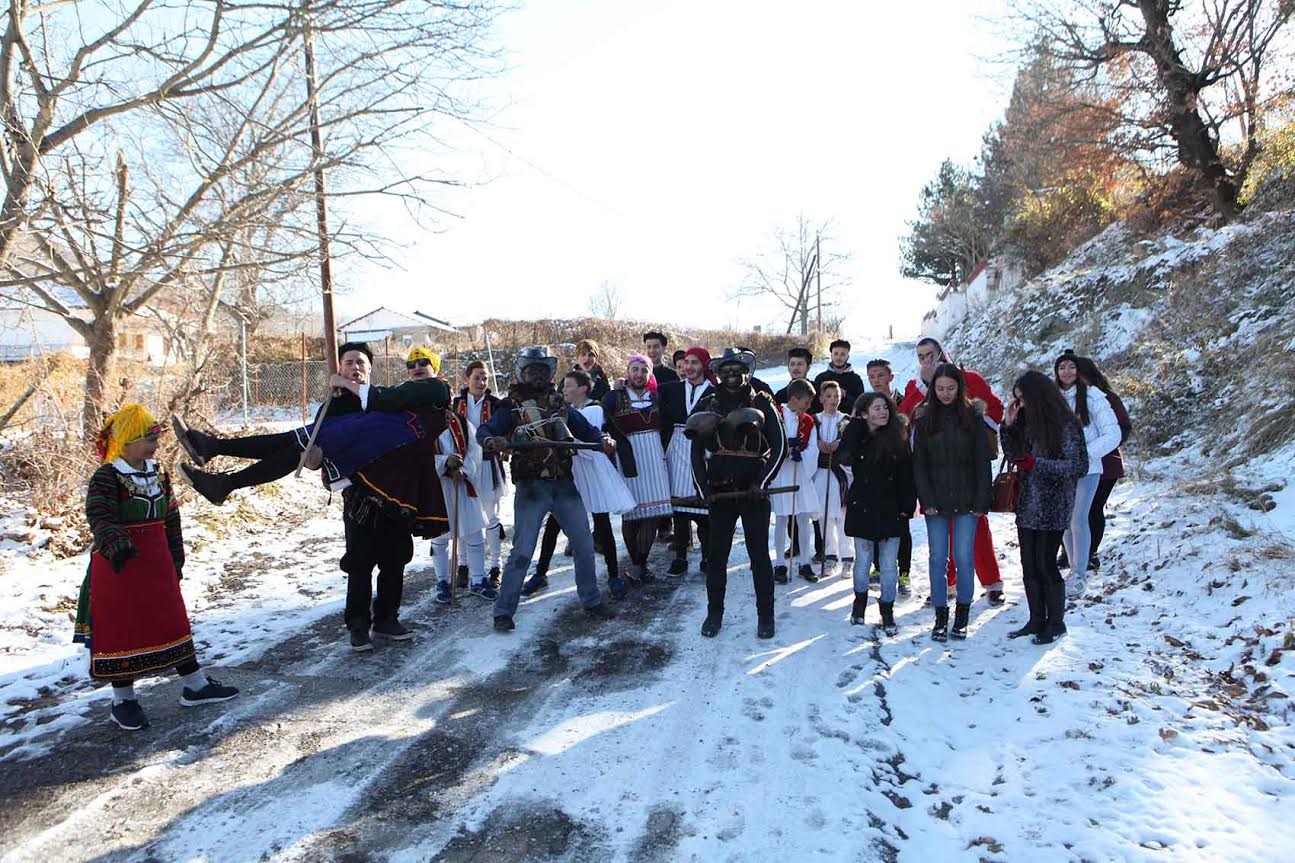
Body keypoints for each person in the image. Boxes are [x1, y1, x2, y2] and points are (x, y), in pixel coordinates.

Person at [75, 405, 238, 730]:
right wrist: (115, 542)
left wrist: (176, 556)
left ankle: (195, 686)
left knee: (172, 622)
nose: (154, 444)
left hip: (158, 565)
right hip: (119, 569)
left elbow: (171, 518)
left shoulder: (158, 474)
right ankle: (123, 700)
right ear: (126, 441)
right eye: (147, 438)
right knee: (122, 631)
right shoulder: (108, 476)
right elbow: (99, 514)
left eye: (154, 437)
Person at [175, 342, 451, 503]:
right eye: (411, 365)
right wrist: (315, 462)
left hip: (381, 484)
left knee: (296, 444)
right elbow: (313, 457)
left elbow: (389, 400)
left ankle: (222, 473)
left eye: (424, 363)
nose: (416, 368)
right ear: (340, 366)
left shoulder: (432, 389)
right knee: (294, 442)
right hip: (353, 487)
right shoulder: (336, 402)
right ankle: (214, 453)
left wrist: (343, 383)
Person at [478, 346, 617, 632]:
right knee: (522, 550)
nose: (537, 375)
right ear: (522, 373)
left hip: (564, 484)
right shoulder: (511, 406)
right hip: (531, 487)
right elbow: (485, 430)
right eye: (532, 370)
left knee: (583, 543)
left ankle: (591, 600)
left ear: (550, 373)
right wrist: (491, 441)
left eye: (543, 369)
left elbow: (585, 430)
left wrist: (603, 438)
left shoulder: (560, 404)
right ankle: (503, 612)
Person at [899, 337, 1006, 604]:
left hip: (966, 465)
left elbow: (995, 410)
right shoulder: (915, 386)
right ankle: (948, 584)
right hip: (935, 469)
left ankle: (992, 581)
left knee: (976, 526)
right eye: (921, 356)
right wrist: (924, 390)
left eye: (930, 355)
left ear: (942, 354)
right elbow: (903, 420)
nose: (926, 361)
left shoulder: (969, 378)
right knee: (941, 533)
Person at [689, 348, 788, 638]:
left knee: (759, 555)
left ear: (748, 370)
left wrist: (763, 482)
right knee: (717, 557)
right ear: (717, 373)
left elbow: (779, 447)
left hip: (754, 492)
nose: (731, 375)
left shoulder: (763, 401)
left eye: (737, 369)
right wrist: (702, 488)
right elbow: (695, 451)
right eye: (725, 370)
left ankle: (765, 617)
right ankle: (714, 614)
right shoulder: (707, 403)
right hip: (720, 492)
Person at [525, 369, 633, 598]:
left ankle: (614, 576)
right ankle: (540, 573)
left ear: (584, 388)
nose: (564, 390)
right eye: (563, 387)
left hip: (590, 470)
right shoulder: (568, 410)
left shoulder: (593, 409)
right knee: (554, 524)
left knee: (602, 523)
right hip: (571, 470)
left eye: (569, 386)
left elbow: (583, 438)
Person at [1000, 371, 1089, 644]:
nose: (1022, 405)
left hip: (1054, 503)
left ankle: (1056, 622)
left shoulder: (1066, 425)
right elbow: (1012, 454)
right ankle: (1036, 618)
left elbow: (1078, 466)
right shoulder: (1026, 422)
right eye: (1018, 400)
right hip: (1028, 502)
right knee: (1029, 564)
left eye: (1024, 399)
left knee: (1046, 563)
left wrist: (1037, 465)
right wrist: (1008, 425)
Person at [912, 364, 993, 642]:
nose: (945, 393)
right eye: (940, 388)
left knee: (963, 557)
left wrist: (982, 500)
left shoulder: (973, 416)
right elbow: (919, 465)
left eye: (951, 388)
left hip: (968, 498)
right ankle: (940, 614)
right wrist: (927, 499)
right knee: (937, 559)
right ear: (933, 389)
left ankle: (962, 613)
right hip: (935, 499)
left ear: (960, 388)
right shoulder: (924, 418)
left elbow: (983, 462)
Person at [419, 354, 495, 605]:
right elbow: (419, 458)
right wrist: (443, 464)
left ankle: (477, 579)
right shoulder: (421, 425)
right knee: (440, 537)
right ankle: (442, 580)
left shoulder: (460, 422)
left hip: (463, 484)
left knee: (474, 534)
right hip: (438, 487)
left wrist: (464, 468)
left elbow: (474, 450)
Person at [839, 392, 915, 636]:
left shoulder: (897, 437)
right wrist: (857, 424)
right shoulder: (857, 435)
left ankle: (887, 609)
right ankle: (859, 603)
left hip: (891, 509)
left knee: (889, 565)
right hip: (863, 507)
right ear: (863, 413)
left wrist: (907, 507)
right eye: (877, 408)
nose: (883, 412)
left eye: (886, 408)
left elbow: (907, 475)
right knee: (862, 563)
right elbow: (844, 456)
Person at [1054, 350, 1123, 596]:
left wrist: (1086, 454)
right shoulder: (1053, 397)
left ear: (1079, 370)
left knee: (1078, 518)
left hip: (1088, 468)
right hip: (1060, 469)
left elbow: (1112, 434)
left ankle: (1080, 574)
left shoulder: (1093, 396)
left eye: (1071, 367)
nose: (1067, 372)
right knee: (1064, 520)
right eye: (1062, 368)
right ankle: (1073, 569)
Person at [602, 355, 674, 583]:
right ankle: (637, 565)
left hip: (654, 457)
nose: (639, 374)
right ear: (627, 371)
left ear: (650, 374)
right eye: (635, 369)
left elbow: (669, 425)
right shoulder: (615, 397)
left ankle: (639, 564)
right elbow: (603, 422)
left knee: (651, 514)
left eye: (644, 370)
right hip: (628, 457)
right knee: (631, 514)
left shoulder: (656, 397)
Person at [1070, 354, 1132, 571]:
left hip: (1106, 465)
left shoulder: (1105, 398)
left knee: (1093, 508)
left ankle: (1090, 552)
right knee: (1074, 510)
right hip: (1077, 465)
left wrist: (1102, 447)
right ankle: (1073, 552)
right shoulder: (1069, 399)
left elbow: (1122, 428)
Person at [658, 346, 714, 576]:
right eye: (686, 362)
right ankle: (680, 557)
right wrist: (621, 385)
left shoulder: (715, 390)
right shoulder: (670, 389)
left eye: (694, 362)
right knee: (680, 508)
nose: (689, 367)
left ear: (704, 365)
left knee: (703, 506)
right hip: (678, 446)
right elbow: (642, 391)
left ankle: (707, 556)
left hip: (705, 448)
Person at [454, 360, 508, 590]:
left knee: (491, 517)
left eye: (485, 378)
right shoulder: (456, 404)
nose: (481, 382)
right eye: (477, 377)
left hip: (487, 464)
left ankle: (496, 565)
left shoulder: (495, 404)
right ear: (467, 379)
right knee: (465, 516)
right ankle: (463, 565)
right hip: (464, 466)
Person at [863, 358, 912, 594]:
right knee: (874, 523)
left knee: (902, 527)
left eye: (880, 375)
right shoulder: (867, 406)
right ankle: (878, 568)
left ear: (890, 377)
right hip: (875, 476)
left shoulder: (905, 402)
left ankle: (904, 573)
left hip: (901, 472)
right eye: (872, 377)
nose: (876, 381)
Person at [770, 378, 823, 583]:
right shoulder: (776, 414)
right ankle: (780, 565)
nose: (808, 407)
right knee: (782, 519)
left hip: (800, 473)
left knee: (803, 519)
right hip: (782, 474)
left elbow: (812, 447)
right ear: (794, 398)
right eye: (806, 402)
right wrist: (785, 451)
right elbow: (771, 441)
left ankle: (804, 562)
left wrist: (801, 455)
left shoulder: (808, 420)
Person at [812, 381, 851, 577]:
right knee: (824, 515)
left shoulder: (845, 420)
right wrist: (816, 443)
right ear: (821, 399)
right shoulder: (814, 420)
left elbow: (851, 444)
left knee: (842, 515)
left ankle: (848, 558)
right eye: (828, 396)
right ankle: (830, 556)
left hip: (839, 473)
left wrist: (839, 443)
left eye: (836, 396)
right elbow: (809, 444)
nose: (833, 400)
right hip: (820, 472)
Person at [812, 339, 865, 413]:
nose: (839, 357)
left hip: (848, 422)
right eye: (836, 353)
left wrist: (844, 395)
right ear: (831, 355)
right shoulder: (821, 378)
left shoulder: (856, 379)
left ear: (848, 357)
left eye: (842, 354)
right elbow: (815, 404)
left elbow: (861, 405)